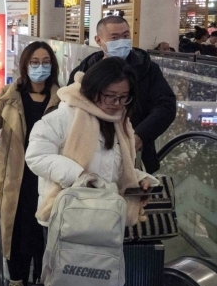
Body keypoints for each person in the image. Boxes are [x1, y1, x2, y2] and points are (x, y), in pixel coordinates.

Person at [25, 57, 156, 238]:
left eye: (123, 97)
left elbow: (113, 166)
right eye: (110, 96)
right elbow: (37, 156)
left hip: (106, 217)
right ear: (94, 89)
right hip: (67, 217)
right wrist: (78, 175)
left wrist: (138, 180)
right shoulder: (65, 115)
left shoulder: (121, 122)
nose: (117, 103)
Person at [0, 41, 61, 286]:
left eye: (45, 62)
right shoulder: (9, 95)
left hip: (46, 176)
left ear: (52, 66)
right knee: (16, 232)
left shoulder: (61, 98)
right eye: (34, 62)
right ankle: (17, 283)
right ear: (25, 65)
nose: (40, 67)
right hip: (14, 177)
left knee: (42, 231)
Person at [70, 15, 177, 174]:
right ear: (99, 40)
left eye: (126, 36)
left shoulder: (147, 69)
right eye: (115, 37)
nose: (122, 41)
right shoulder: (84, 72)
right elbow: (71, 109)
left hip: (137, 157)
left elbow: (166, 106)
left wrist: (140, 135)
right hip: (92, 159)